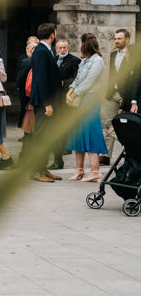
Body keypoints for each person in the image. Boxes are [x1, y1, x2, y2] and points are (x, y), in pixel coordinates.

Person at [66, 34, 108, 182]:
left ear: (85, 44)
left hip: (90, 99)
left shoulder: (97, 61)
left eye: (81, 42)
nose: (79, 45)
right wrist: (70, 91)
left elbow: (89, 82)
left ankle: (95, 171)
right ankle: (80, 170)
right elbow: (78, 79)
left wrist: (75, 93)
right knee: (78, 133)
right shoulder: (85, 61)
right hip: (81, 98)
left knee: (91, 132)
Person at [25, 23, 62, 182]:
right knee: (40, 136)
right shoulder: (40, 51)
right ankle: (36, 171)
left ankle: (43, 169)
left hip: (49, 100)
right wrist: (47, 103)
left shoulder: (46, 50)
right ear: (52, 35)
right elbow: (40, 79)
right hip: (43, 102)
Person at [102, 28, 138, 164]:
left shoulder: (133, 56)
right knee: (107, 123)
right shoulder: (112, 55)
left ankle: (130, 154)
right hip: (112, 93)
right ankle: (105, 155)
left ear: (127, 40)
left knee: (128, 125)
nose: (116, 41)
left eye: (119, 39)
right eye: (115, 38)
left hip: (127, 94)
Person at [51, 38, 80, 169]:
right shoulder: (53, 59)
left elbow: (77, 77)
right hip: (55, 96)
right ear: (56, 49)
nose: (62, 50)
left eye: (64, 48)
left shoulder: (74, 60)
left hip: (67, 96)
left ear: (68, 48)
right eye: (60, 48)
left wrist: (65, 83)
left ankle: (66, 147)